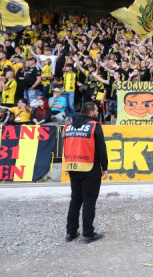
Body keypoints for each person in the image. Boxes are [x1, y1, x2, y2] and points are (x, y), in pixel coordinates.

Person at [63, 102, 108, 243]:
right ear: (90, 112)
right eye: (96, 111)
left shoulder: (68, 126)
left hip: (73, 166)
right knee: (89, 201)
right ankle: (88, 234)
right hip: (90, 168)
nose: (97, 113)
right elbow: (101, 148)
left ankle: (70, 233)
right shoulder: (94, 126)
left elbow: (66, 146)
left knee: (75, 200)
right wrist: (104, 167)